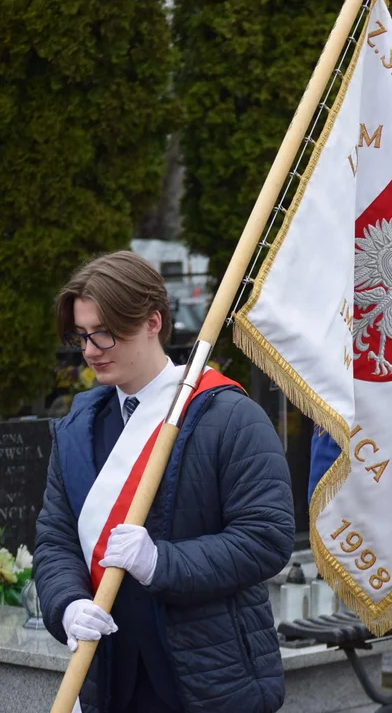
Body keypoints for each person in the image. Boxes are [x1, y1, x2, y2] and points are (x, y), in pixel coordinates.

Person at [33, 251, 295, 713]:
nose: (90, 350)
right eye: (82, 335)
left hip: (208, 675)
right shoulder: (78, 428)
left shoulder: (231, 416)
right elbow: (55, 538)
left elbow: (266, 538)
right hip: (109, 677)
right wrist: (67, 605)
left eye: (105, 333)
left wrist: (161, 562)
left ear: (153, 321)